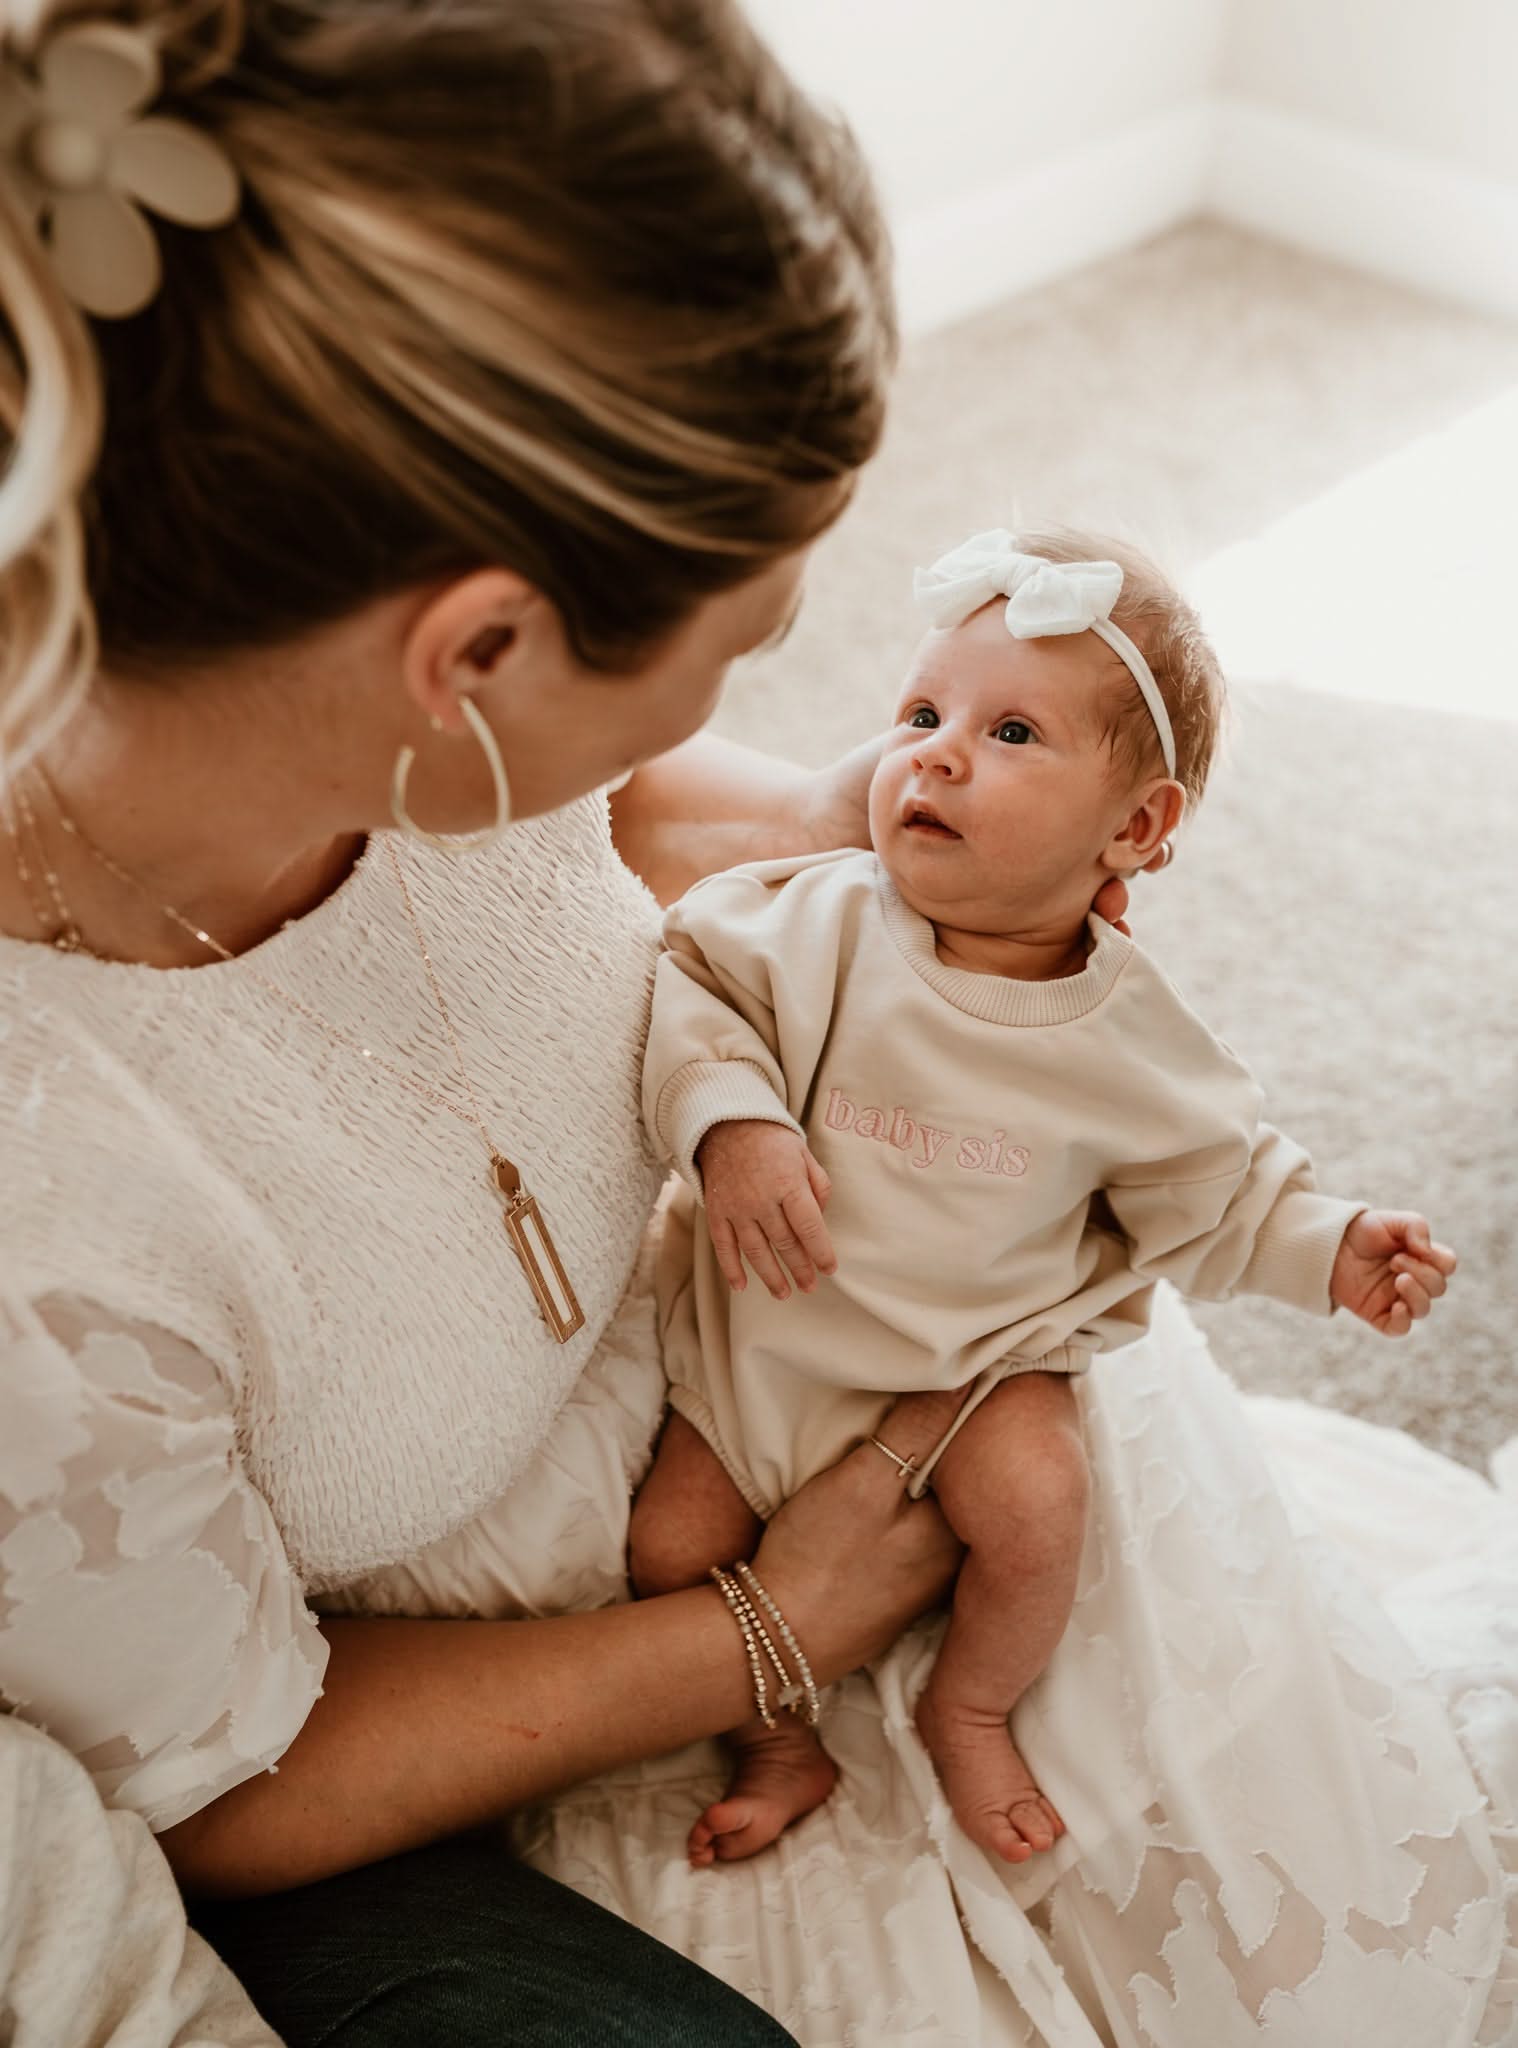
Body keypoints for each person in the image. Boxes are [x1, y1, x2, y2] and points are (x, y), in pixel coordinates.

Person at [0, 3, 1513, 2046]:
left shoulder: (324, 655)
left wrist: (862, 852)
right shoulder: (50, 1244)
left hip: (818, 1304)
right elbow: (230, 1780)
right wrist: (773, 1628)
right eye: (762, 633)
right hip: (592, 1637)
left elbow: (601, 800)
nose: (800, 694)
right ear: (473, 657)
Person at [628, 527, 1458, 1872]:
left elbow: (1222, 1181)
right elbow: (691, 989)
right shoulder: (818, 919)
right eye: (918, 713)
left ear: (1133, 828)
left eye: (1008, 731)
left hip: (975, 1365)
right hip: (765, 1342)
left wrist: (1333, 1245)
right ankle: (779, 1735)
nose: (935, 753)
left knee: (1036, 1505)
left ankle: (970, 1705)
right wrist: (731, 1125)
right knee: (669, 1551)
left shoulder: (1124, 1031)